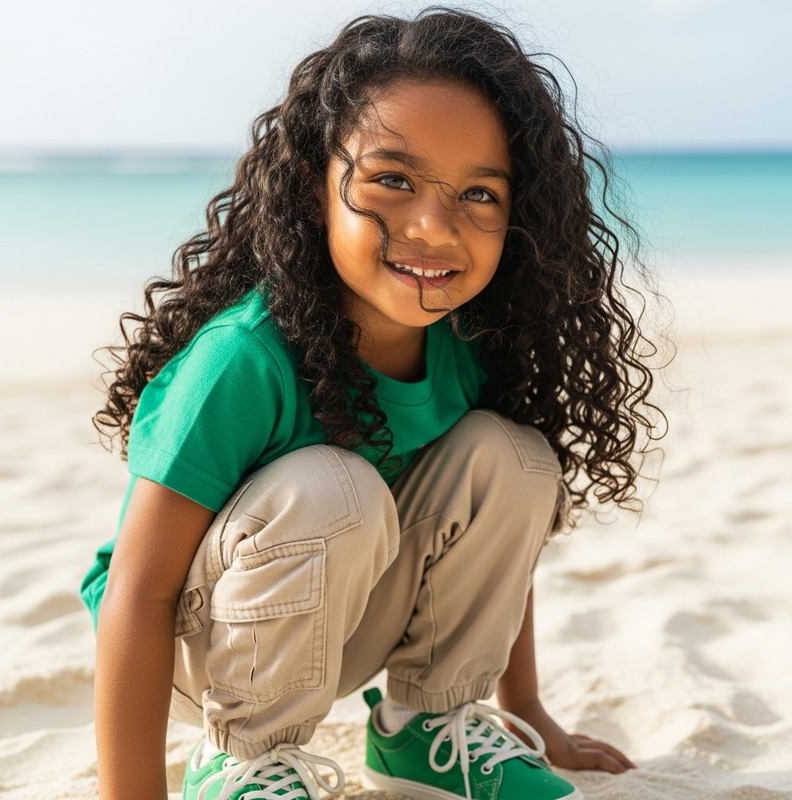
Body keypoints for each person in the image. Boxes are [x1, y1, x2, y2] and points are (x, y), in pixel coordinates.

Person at [82, 8, 663, 800]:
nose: (433, 226)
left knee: (519, 460)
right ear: (312, 184)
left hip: (347, 628)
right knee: (336, 484)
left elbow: (500, 549)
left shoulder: (471, 350)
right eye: (392, 179)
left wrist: (528, 709)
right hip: (196, 656)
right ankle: (243, 761)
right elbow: (138, 595)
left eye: (478, 193)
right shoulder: (243, 360)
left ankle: (426, 732)